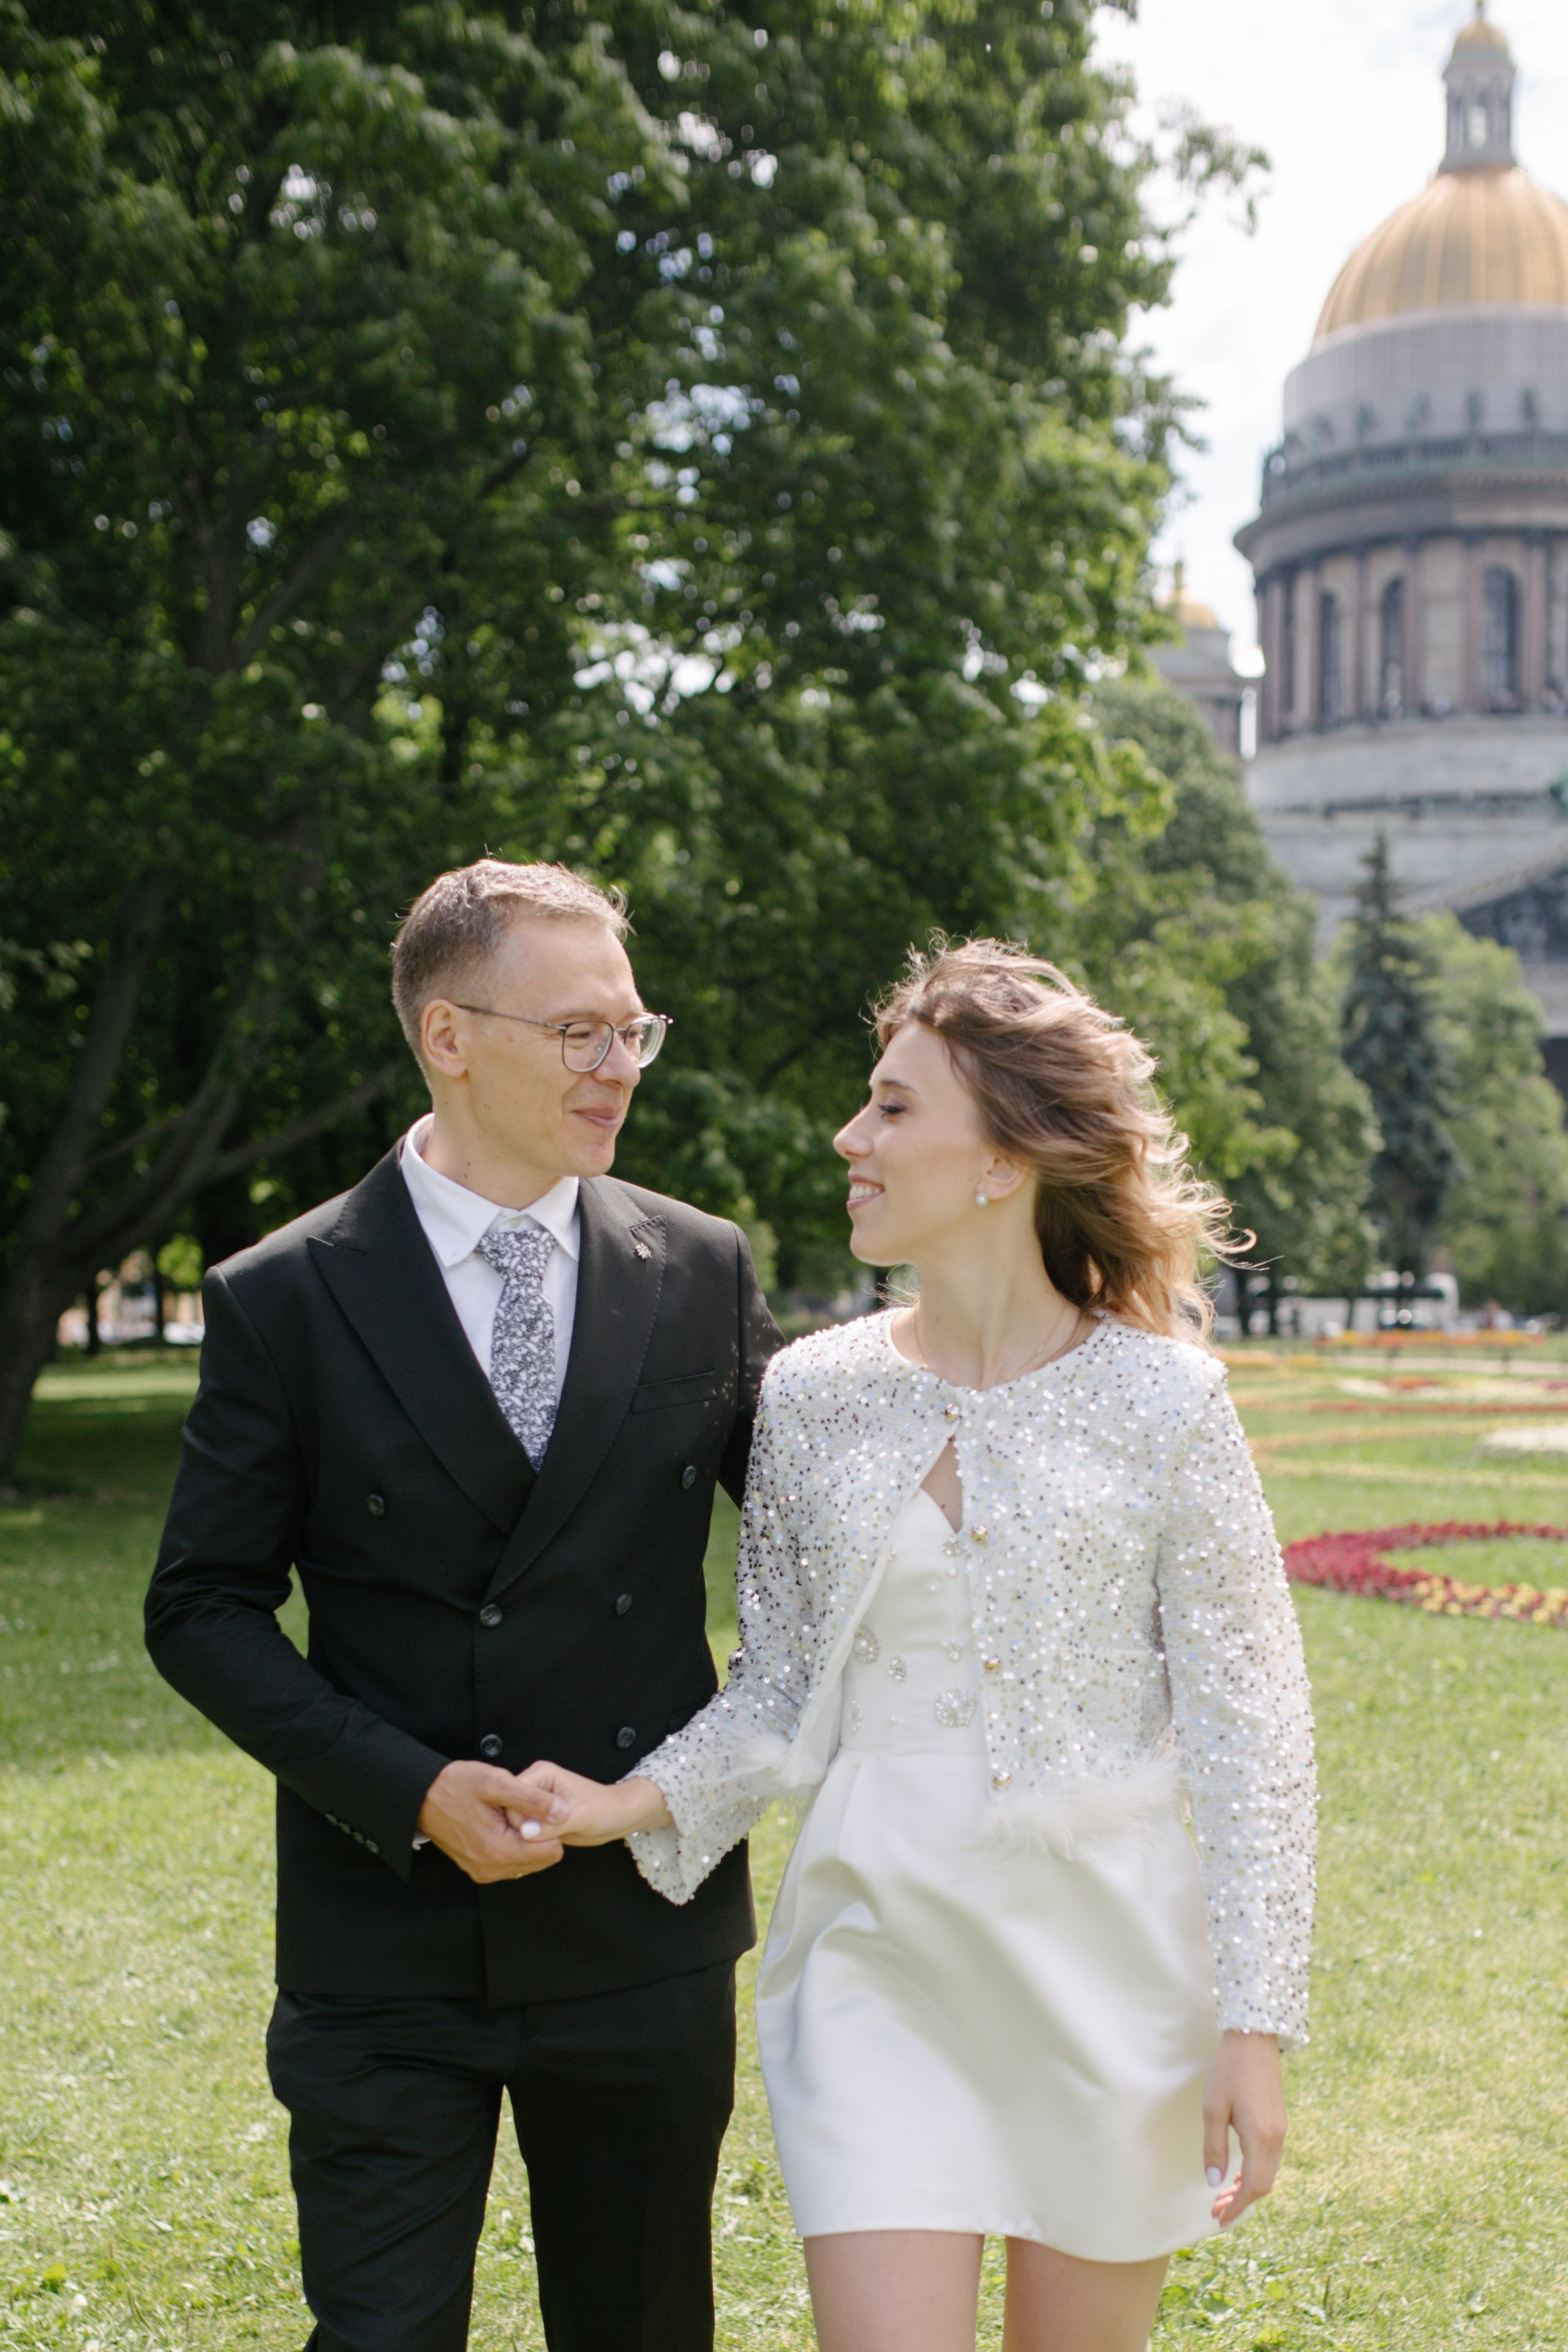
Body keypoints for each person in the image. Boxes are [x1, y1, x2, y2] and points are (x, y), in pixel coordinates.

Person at [519, 940, 1317, 2352]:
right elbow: (777, 1680)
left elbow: (1251, 1731)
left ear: (1003, 1158)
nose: (850, 1136)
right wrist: (619, 1804)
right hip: (869, 1955)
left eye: (891, 1106)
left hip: (1108, 1970)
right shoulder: (811, 1394)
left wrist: (1249, 2026)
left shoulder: (1166, 1404)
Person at [145, 858, 780, 2352]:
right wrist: (410, 1788)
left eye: (632, 1030)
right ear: (447, 1035)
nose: (616, 1066)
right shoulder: (282, 1295)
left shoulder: (697, 1266)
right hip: (386, 1940)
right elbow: (201, 1607)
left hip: (638, 1930)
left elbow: (817, 1546)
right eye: (576, 1033)